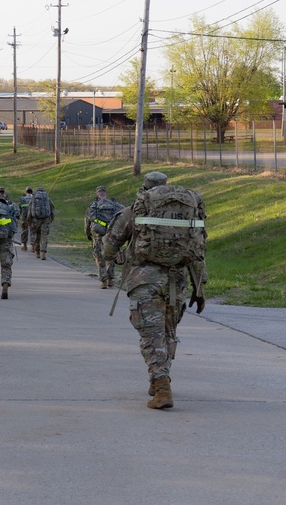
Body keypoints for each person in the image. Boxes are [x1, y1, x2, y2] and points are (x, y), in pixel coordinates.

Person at [102, 172, 208, 409]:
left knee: (151, 334)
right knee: (168, 333)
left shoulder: (133, 212)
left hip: (144, 281)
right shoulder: (187, 211)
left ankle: (162, 388)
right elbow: (199, 249)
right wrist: (200, 288)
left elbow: (108, 248)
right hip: (178, 281)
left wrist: (121, 258)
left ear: (145, 188)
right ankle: (160, 377)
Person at [84, 185, 126, 288]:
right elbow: (122, 216)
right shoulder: (115, 205)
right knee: (110, 254)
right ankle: (110, 279)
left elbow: (88, 221)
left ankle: (103, 280)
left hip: (98, 233)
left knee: (98, 255)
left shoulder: (93, 205)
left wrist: (87, 233)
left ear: (97, 193)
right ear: (105, 193)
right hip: (111, 233)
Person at [27, 186, 55, 260]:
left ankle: (37, 252)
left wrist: (29, 221)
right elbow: (52, 208)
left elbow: (30, 210)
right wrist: (51, 218)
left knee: (37, 235)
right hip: (46, 219)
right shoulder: (47, 198)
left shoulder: (34, 198)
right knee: (44, 236)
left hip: (36, 220)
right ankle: (43, 253)